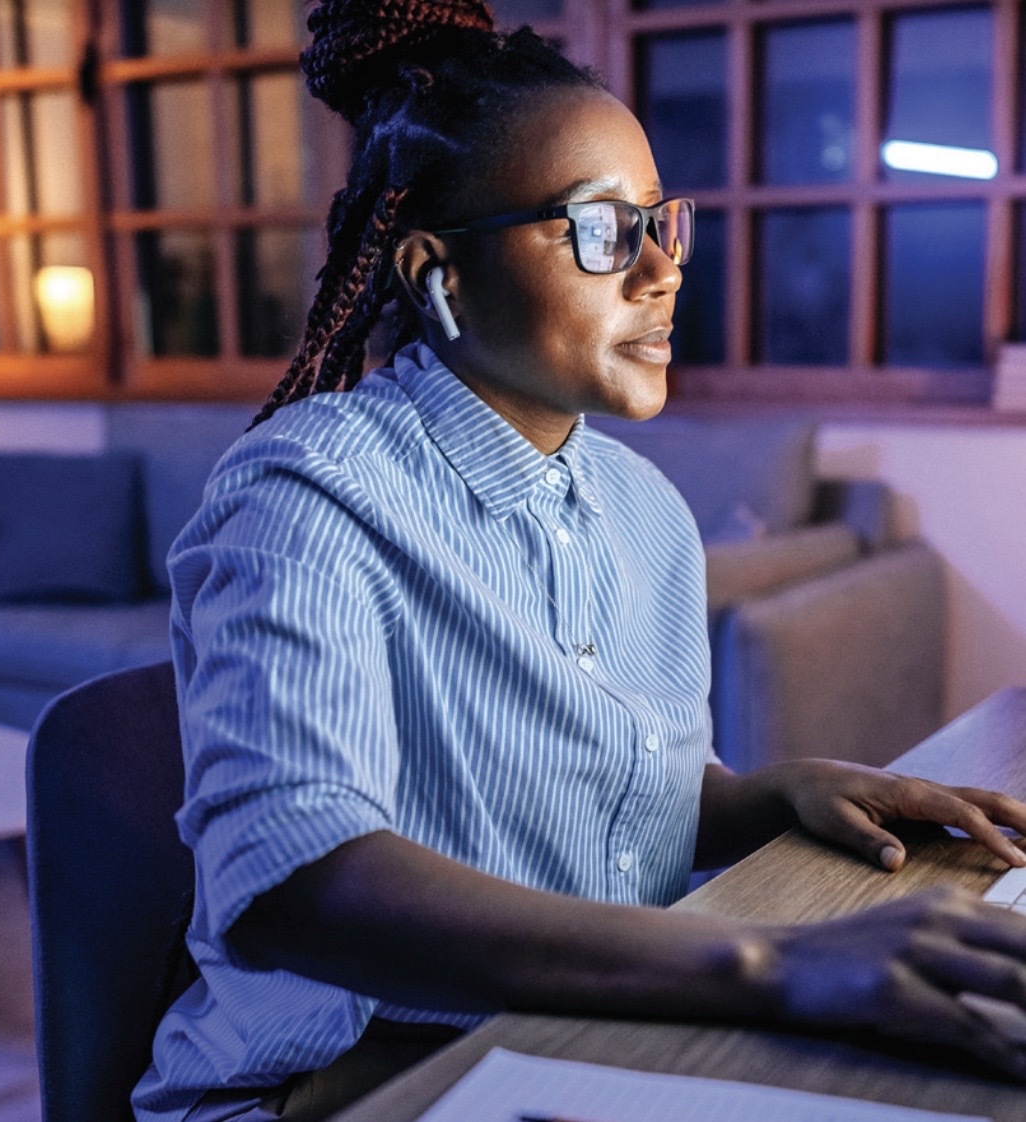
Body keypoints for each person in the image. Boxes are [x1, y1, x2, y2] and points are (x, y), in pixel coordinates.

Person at [134, 3, 1026, 1119]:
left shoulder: (640, 506)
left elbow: (577, 803)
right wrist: (770, 961)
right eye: (599, 228)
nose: (660, 271)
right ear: (434, 272)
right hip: (338, 1084)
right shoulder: (306, 498)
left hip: (576, 1037)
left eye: (662, 222)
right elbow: (297, 885)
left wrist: (761, 797)